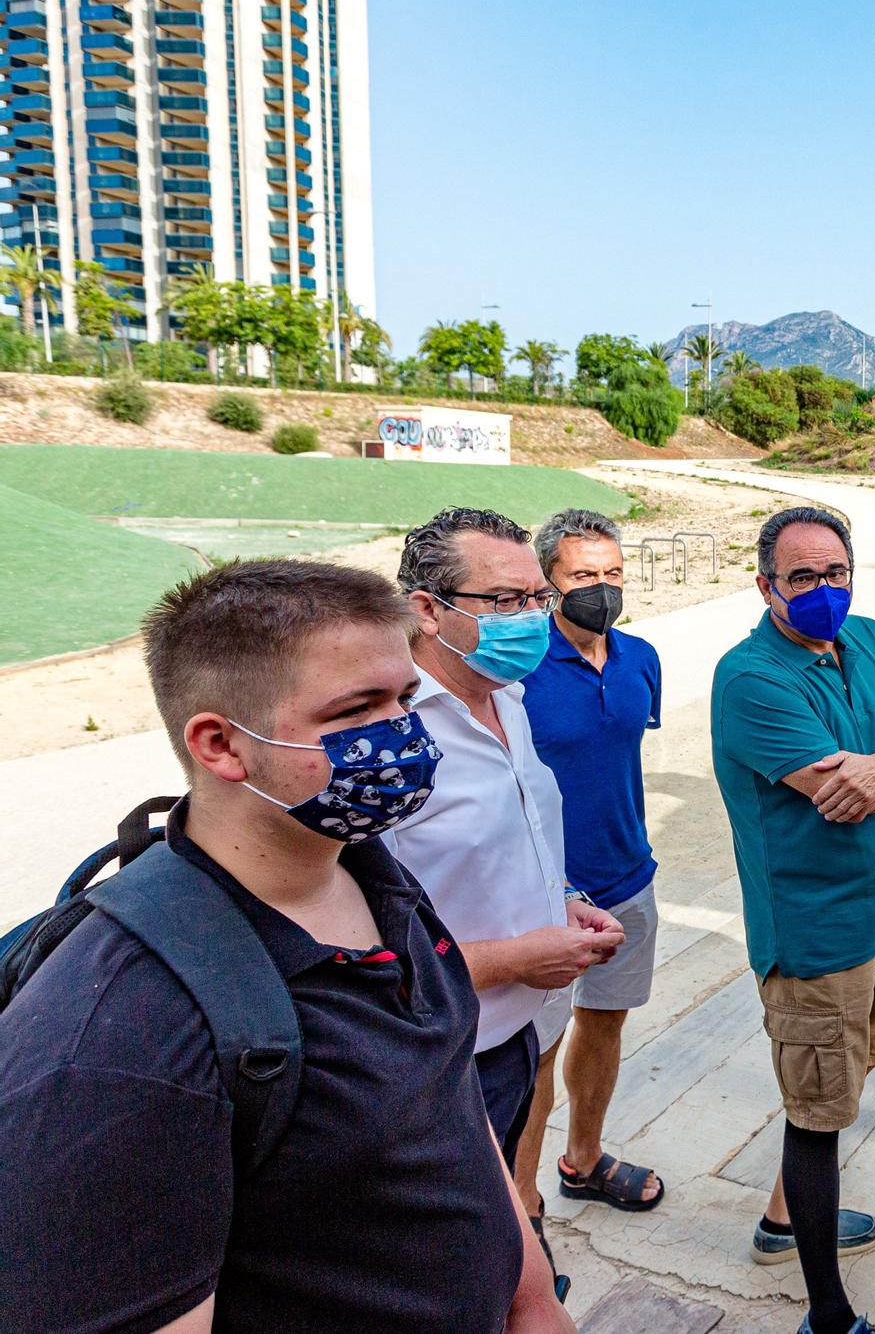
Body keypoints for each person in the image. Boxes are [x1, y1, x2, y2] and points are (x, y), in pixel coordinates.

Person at [0, 559, 571, 1333]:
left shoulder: (376, 877)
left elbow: (453, 1107)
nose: (405, 732)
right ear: (221, 745)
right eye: (357, 708)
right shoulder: (122, 1032)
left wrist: (532, 1298)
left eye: (406, 697)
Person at [711, 506, 875, 1334]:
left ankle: (787, 1220)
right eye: (802, 576)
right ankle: (828, 1314)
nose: (822, 589)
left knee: (839, 1086)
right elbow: (839, 801)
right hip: (815, 936)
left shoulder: (874, 642)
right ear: (767, 585)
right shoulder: (751, 678)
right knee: (817, 1118)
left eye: (835, 572)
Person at [383, 507, 625, 1256]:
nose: (532, 618)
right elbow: (350, 948)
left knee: (507, 1216)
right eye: (506, 601)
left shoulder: (507, 698)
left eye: (536, 598)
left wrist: (564, 903)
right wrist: (512, 960)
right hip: (446, 1057)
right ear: (427, 608)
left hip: (524, 1032)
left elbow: (504, 848)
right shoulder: (385, 737)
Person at [517, 509, 665, 1218]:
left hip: (629, 876)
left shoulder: (641, 658)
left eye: (611, 574)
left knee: (604, 1022)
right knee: (537, 1050)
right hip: (546, 893)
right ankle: (524, 1202)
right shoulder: (517, 672)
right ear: (549, 583)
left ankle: (583, 1159)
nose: (600, 589)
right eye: (583, 575)